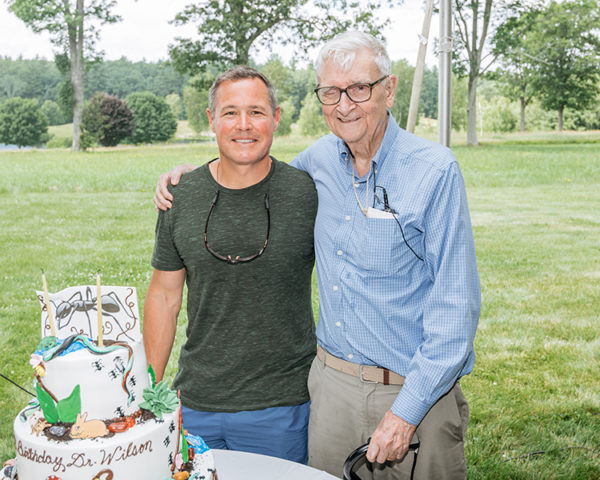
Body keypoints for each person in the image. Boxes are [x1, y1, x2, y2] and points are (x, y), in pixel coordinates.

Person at [154, 32, 480, 480]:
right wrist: (194, 178)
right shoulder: (317, 164)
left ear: (390, 88)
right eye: (331, 92)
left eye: (360, 88)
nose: (345, 104)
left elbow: (455, 312)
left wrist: (405, 414)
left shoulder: (434, 170)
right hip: (331, 392)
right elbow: (252, 167)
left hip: (417, 391)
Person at [143, 65, 318, 464]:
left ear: (275, 119)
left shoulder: (307, 193)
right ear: (211, 120)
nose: (244, 125)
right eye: (230, 112)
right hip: (196, 404)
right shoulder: (180, 196)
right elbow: (164, 296)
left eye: (256, 112)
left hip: (281, 408)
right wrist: (150, 391)